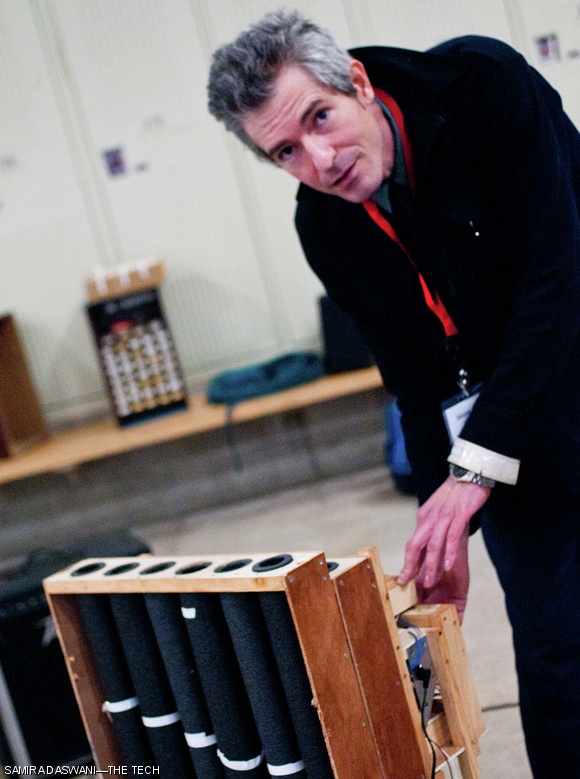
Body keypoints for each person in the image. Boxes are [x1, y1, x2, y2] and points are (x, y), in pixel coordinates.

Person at [207, 9, 580, 777]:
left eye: (320, 117)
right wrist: (440, 512)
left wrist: (471, 473)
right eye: (286, 151)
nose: (320, 157)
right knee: (556, 651)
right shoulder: (326, 226)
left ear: (359, 82)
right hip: (506, 439)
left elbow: (557, 281)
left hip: (563, 362)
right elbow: (415, 377)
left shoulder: (484, 88)